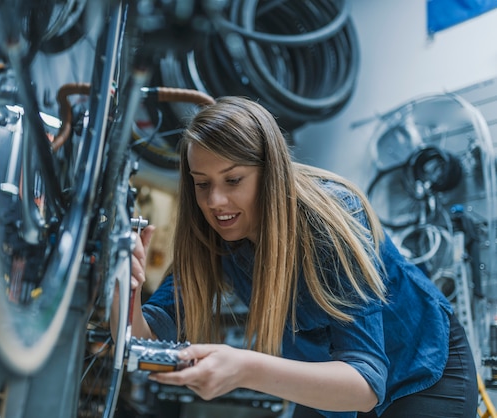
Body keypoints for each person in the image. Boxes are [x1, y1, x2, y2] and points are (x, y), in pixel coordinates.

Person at [123, 96, 478, 417]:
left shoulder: (331, 219)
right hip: (334, 375)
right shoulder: (211, 236)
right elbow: (143, 340)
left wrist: (246, 368)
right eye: (202, 184)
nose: (214, 201)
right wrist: (126, 285)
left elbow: (366, 384)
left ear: (271, 174)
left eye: (233, 180)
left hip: (422, 367)